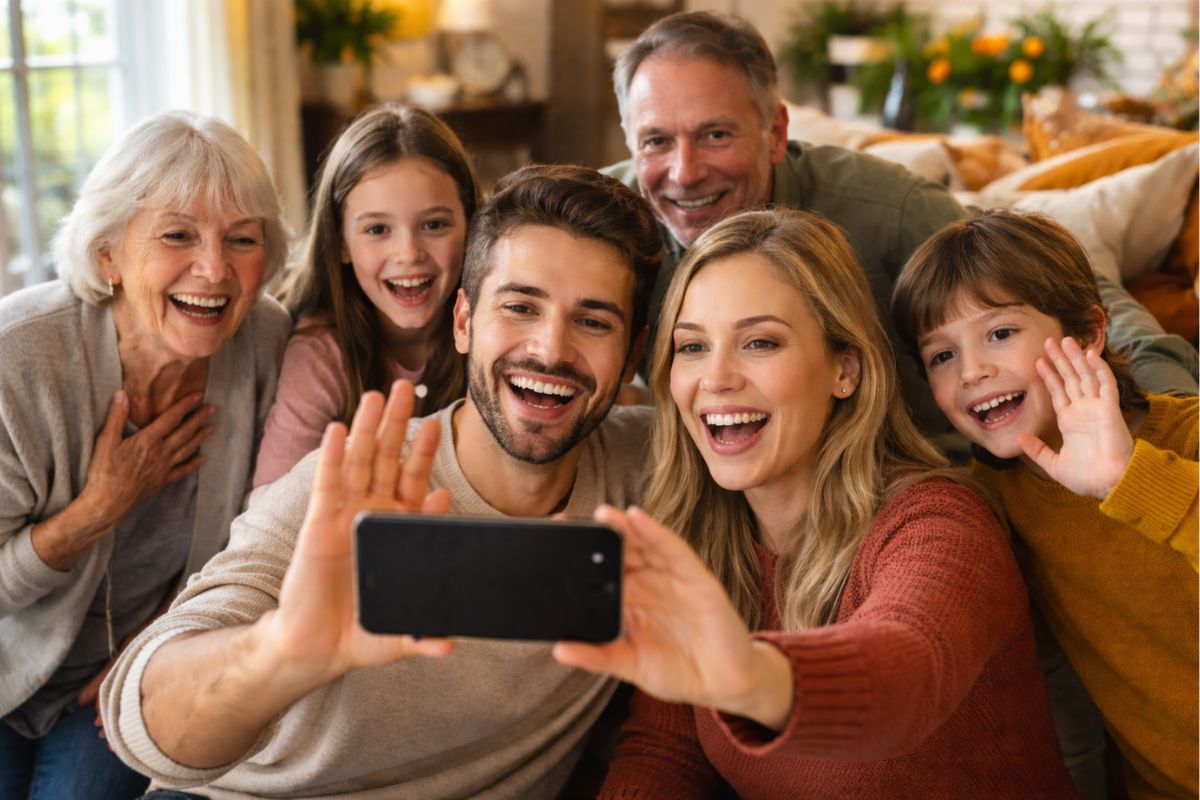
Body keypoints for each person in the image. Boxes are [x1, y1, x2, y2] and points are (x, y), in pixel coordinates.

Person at [99, 164, 662, 799]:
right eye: (520, 307)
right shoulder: (357, 482)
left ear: (632, 354)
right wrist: (283, 651)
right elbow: (142, 715)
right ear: (463, 322)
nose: (551, 348)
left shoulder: (653, 467)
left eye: (593, 322)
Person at [553, 208, 1078, 798]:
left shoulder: (941, 524)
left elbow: (908, 673)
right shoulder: (700, 535)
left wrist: (749, 676)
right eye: (692, 346)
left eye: (759, 342)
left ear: (844, 369)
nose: (716, 378)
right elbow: (665, 751)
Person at [602, 10, 1198, 419]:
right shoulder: (601, 225)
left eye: (715, 134)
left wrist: (1174, 411)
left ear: (776, 131)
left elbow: (1072, 288)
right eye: (656, 141)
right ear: (629, 141)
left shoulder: (889, 211)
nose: (684, 172)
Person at [0, 111, 292, 799]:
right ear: (108, 253)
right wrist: (96, 511)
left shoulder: (268, 345)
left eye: (241, 238)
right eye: (177, 235)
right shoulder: (18, 359)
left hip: (139, 674)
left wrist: (159, 645)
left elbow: (262, 546)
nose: (214, 269)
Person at [891, 208, 1198, 800]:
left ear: (1088, 333)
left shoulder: (1187, 435)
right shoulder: (993, 501)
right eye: (941, 356)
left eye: (1000, 333)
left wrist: (1126, 479)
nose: (972, 371)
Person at [252, 103, 479, 489]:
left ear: (472, 227)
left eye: (434, 224)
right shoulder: (320, 357)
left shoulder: (493, 337)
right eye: (377, 229)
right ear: (340, 242)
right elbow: (267, 503)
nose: (408, 253)